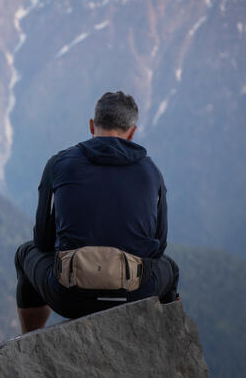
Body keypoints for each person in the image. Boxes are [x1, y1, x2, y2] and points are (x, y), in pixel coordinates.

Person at [15, 91, 179, 333]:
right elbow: (159, 246)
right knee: (171, 269)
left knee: (25, 252)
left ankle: (28, 342)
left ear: (92, 126)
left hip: (69, 297)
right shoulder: (151, 171)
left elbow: (42, 240)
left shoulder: (59, 164)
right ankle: (167, 347)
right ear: (132, 132)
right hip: (133, 295)